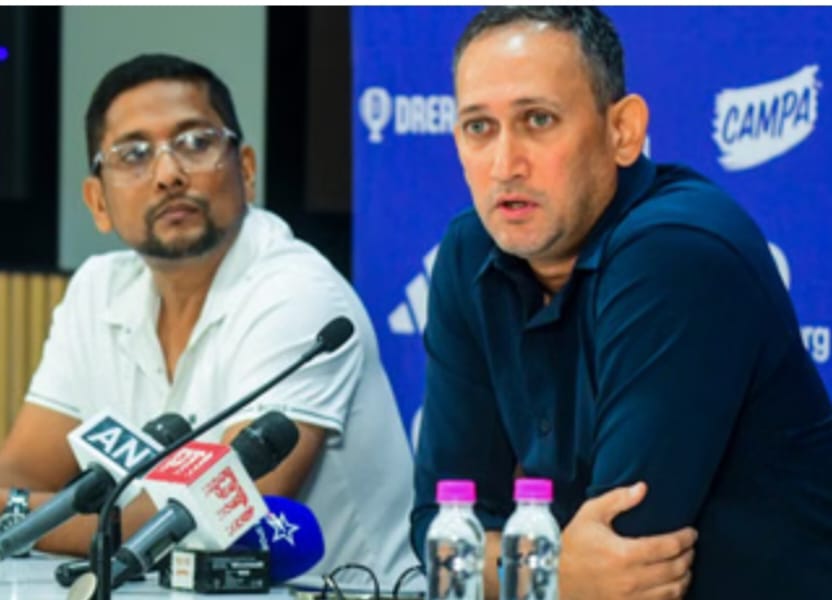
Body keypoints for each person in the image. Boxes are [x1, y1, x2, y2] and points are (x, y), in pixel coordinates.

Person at [411, 6, 832, 600]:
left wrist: (532, 570)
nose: (505, 165)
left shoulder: (678, 251)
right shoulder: (470, 250)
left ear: (623, 132)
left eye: (538, 120)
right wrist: (558, 574)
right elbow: (442, 530)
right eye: (479, 127)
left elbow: (628, 551)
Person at [0, 53, 416, 588]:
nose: (169, 174)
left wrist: (17, 514)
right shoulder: (97, 290)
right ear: (97, 202)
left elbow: (217, 520)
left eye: (196, 143)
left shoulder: (299, 294)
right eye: (134, 154)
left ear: (247, 169)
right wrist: (19, 504)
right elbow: (22, 470)